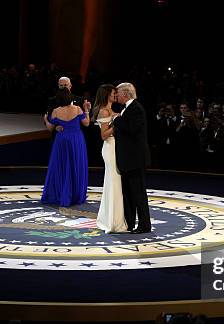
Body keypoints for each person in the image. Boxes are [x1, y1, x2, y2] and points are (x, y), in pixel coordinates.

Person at [110, 83, 151, 234]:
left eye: (118, 94)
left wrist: (116, 120)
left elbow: (132, 130)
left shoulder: (136, 109)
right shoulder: (127, 109)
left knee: (138, 193)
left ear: (126, 94)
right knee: (129, 194)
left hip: (135, 160)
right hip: (128, 160)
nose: (116, 96)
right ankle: (130, 223)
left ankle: (145, 225)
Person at [42, 88, 90, 207]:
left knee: (61, 166)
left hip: (61, 140)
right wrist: (87, 110)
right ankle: (74, 195)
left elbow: (50, 128)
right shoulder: (78, 109)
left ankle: (60, 193)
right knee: (75, 165)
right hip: (76, 140)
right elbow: (87, 123)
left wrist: (45, 119)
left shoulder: (56, 111)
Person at [93, 84, 128, 233]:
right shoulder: (103, 111)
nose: (115, 95)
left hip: (116, 147)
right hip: (110, 148)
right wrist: (117, 123)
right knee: (113, 183)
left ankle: (115, 218)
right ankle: (111, 221)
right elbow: (103, 135)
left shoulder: (111, 110)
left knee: (115, 183)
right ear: (107, 94)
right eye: (113, 93)